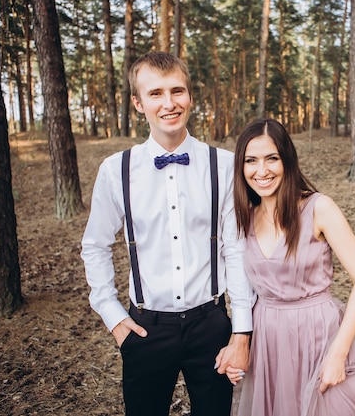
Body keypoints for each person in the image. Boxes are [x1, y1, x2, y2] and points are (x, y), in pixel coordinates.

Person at [81, 51, 255, 416]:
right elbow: (95, 245)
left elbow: (235, 250)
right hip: (145, 329)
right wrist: (113, 317)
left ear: (190, 96)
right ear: (138, 103)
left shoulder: (222, 165)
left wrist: (241, 332)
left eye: (177, 91)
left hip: (211, 324)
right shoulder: (116, 171)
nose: (169, 103)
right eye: (155, 93)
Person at [227, 118, 355, 416]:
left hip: (318, 337)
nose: (262, 170)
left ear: (287, 161)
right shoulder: (245, 218)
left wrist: (338, 352)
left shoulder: (318, 208)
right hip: (269, 343)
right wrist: (239, 344)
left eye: (272, 159)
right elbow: (244, 291)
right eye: (251, 161)